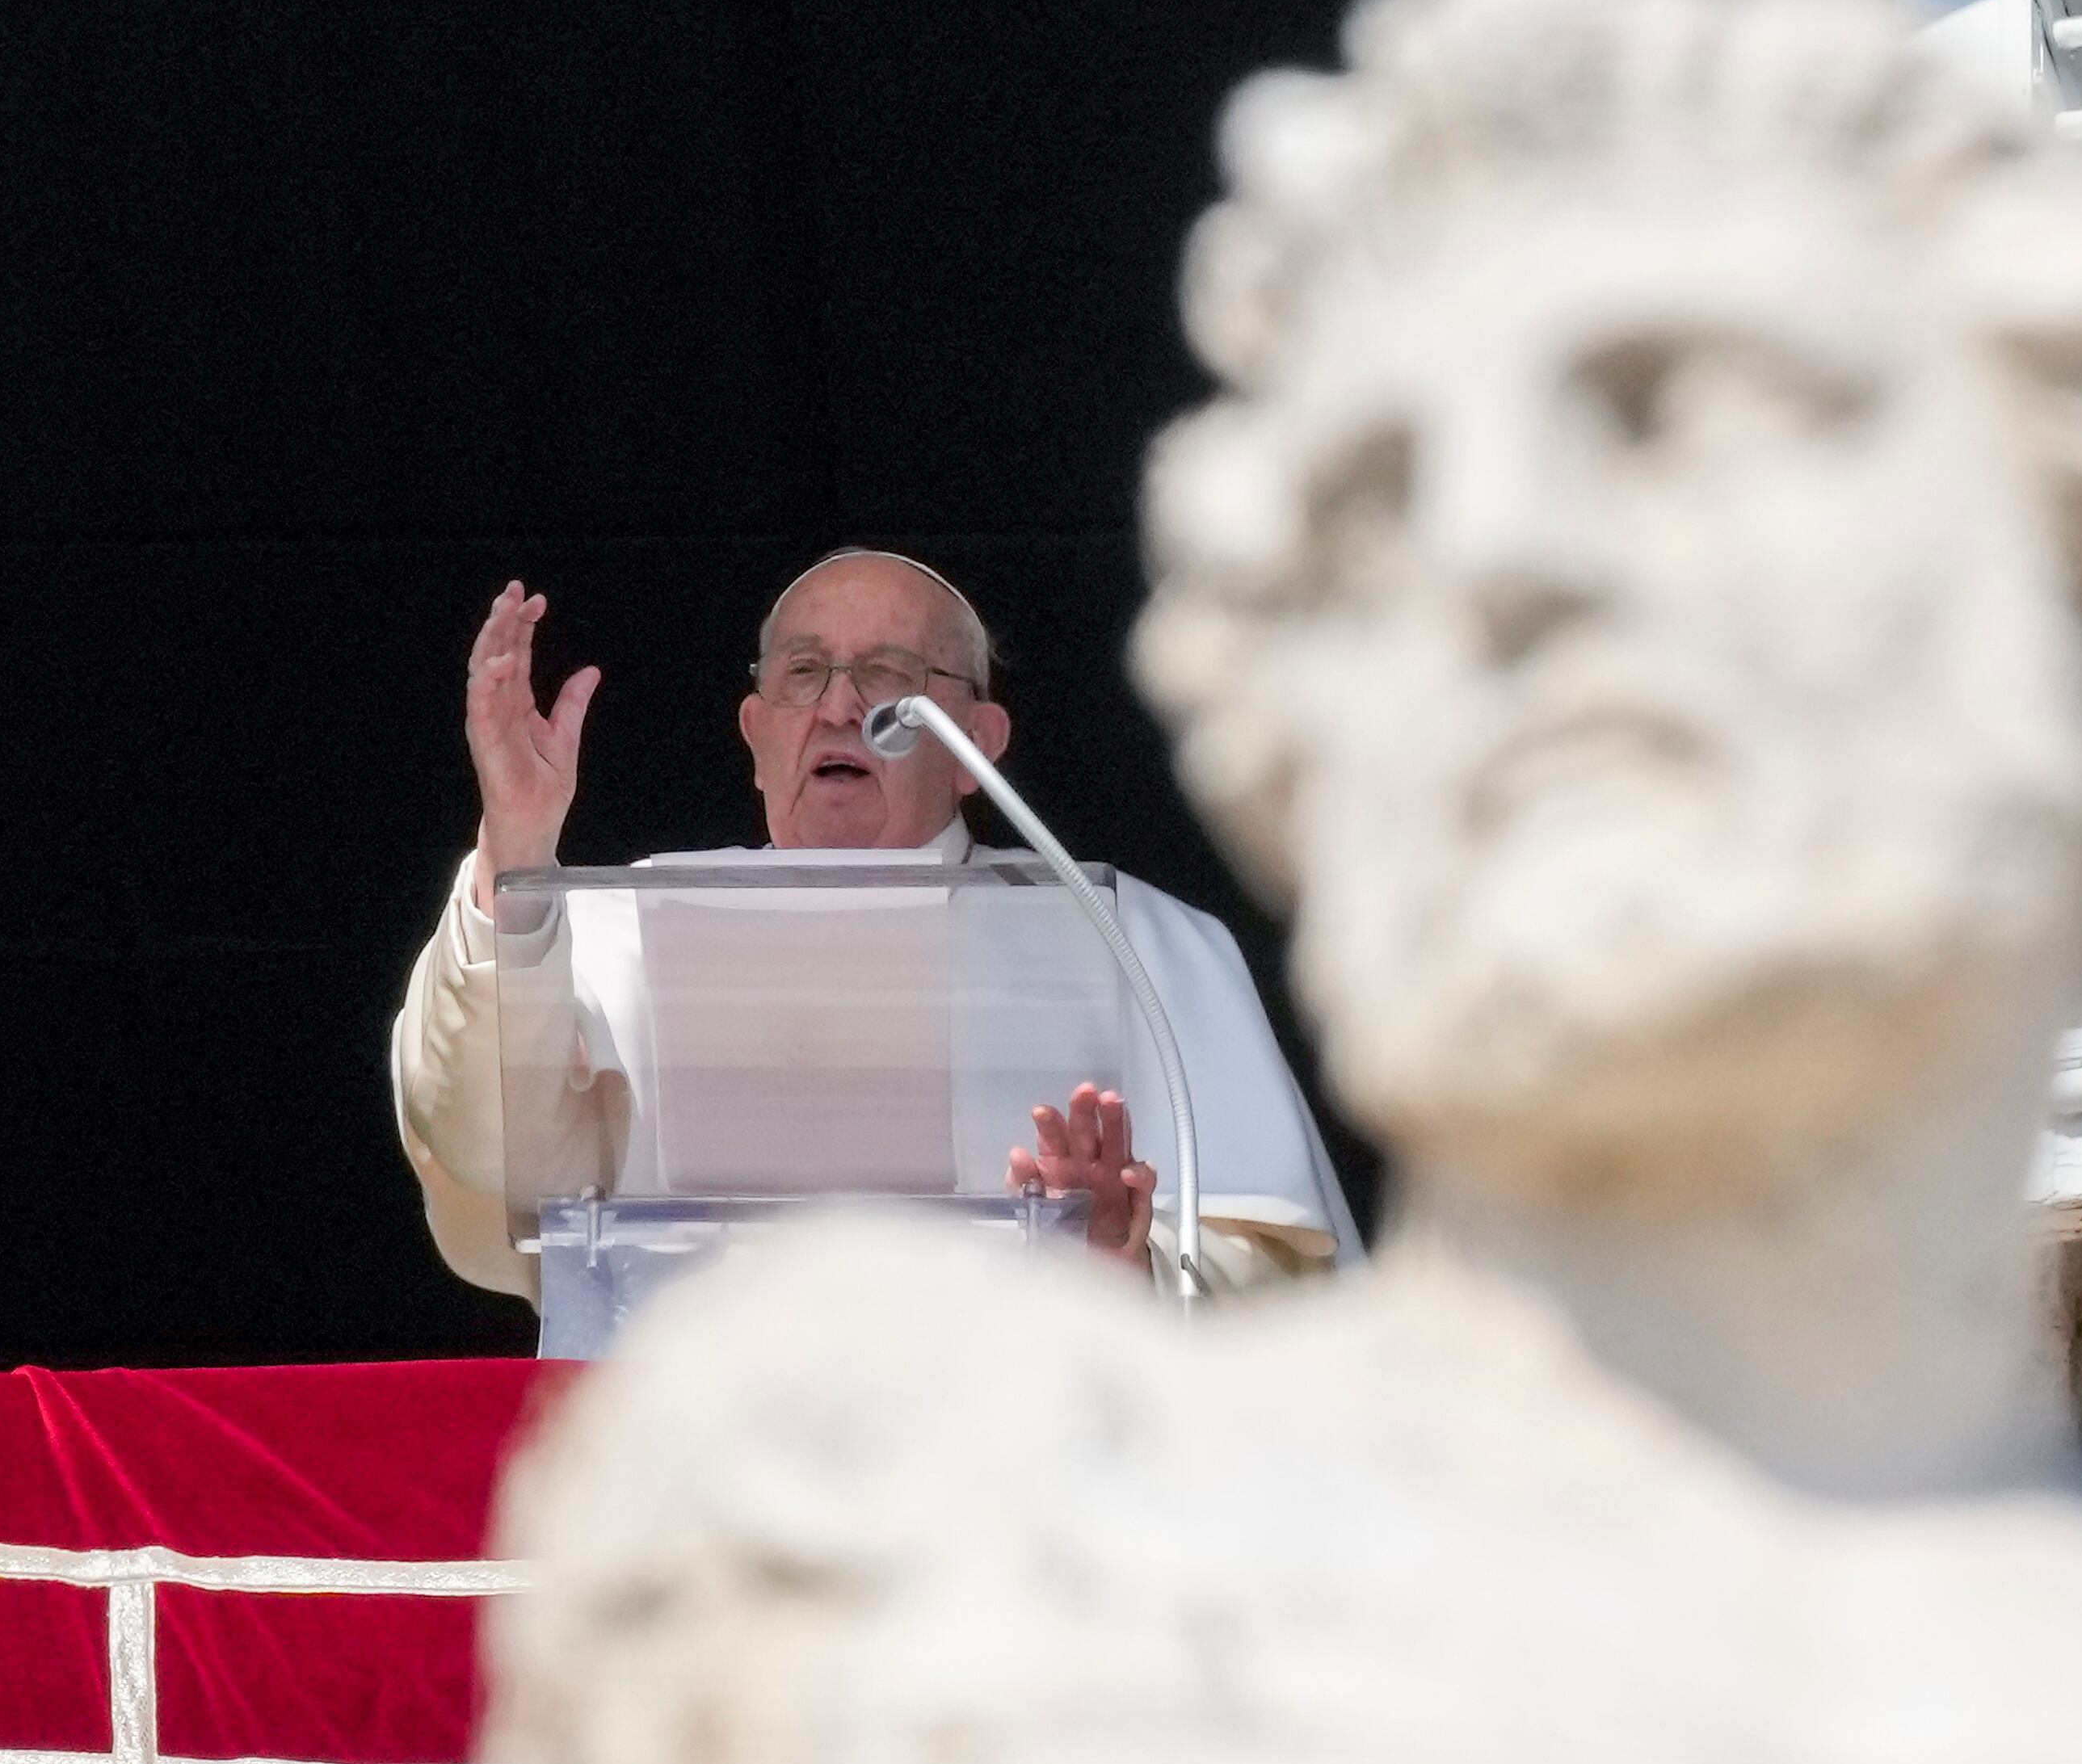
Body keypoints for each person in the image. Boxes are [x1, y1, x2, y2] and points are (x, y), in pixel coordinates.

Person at [389, 548, 1364, 1311]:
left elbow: (1272, 1277)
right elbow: (494, 1154)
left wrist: (1125, 1262)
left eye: (888, 674)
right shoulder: (625, 924)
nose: (841, 706)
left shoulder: (1130, 943)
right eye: (802, 673)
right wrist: (517, 848)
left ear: (976, 749)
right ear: (756, 736)